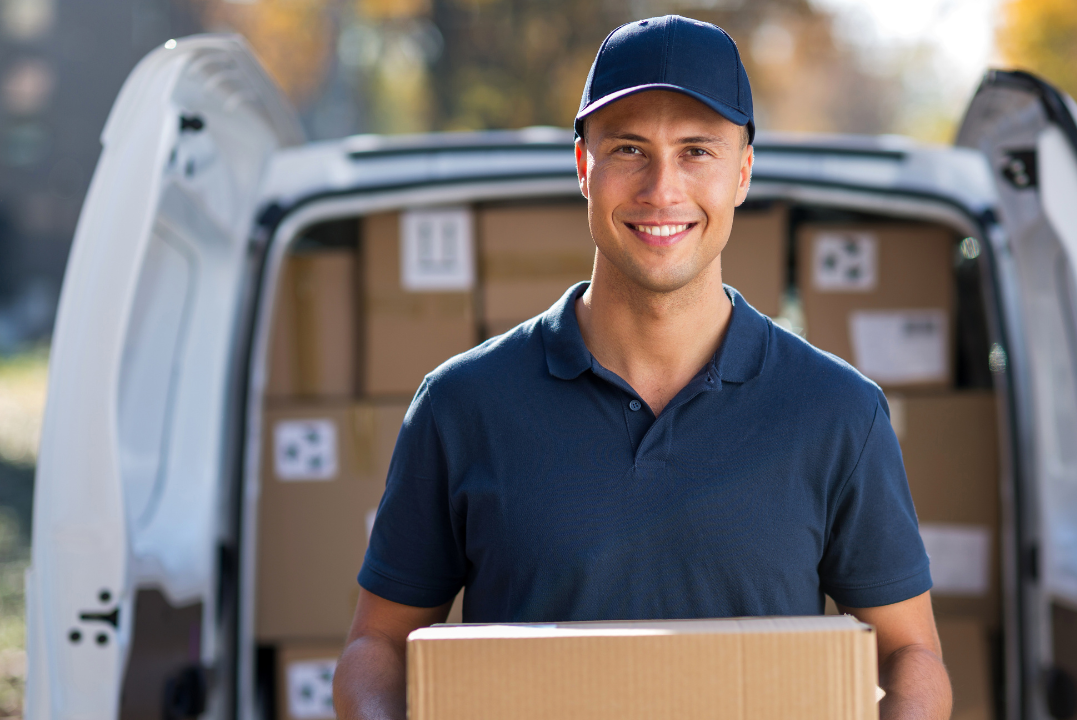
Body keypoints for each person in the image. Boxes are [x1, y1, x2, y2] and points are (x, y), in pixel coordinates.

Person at [334, 15, 950, 720]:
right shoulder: (461, 406)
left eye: (696, 151)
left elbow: (912, 657)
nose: (662, 188)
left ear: (743, 173)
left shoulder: (838, 413)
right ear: (583, 168)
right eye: (629, 149)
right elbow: (374, 647)